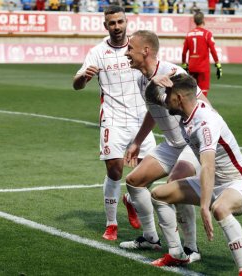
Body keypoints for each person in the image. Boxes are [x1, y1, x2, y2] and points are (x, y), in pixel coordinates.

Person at [147, 73, 242, 275]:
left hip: (239, 182)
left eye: (168, 93)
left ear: (178, 98)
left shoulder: (205, 122)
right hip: (213, 183)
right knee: (159, 195)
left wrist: (204, 207)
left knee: (218, 208)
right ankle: (177, 253)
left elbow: (208, 167)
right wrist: (154, 83)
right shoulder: (182, 109)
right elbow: (152, 97)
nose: (165, 96)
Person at [118, 30, 211, 263]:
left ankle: (190, 248)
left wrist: (210, 139)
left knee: (174, 187)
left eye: (131, 48)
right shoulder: (142, 79)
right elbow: (153, 111)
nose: (127, 52)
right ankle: (150, 238)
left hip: (192, 143)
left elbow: (203, 103)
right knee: (134, 181)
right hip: (172, 144)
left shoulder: (173, 73)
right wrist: (137, 142)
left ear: (146, 51)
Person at [72, 6, 156, 241]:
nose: (117, 26)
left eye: (120, 22)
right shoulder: (98, 52)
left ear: (127, 22)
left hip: (141, 119)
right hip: (113, 119)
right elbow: (76, 84)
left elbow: (153, 70)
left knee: (147, 173)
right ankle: (111, 224)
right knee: (115, 171)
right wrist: (83, 78)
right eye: (112, 23)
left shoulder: (138, 47)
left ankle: (130, 199)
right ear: (105, 26)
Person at [182, 11, 222, 97]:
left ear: (194, 21)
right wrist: (218, 65)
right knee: (203, 93)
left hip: (192, 67)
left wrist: (184, 65)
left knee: (192, 91)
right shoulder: (207, 34)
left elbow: (184, 52)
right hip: (203, 68)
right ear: (203, 20)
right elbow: (213, 50)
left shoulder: (189, 34)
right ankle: (200, 109)